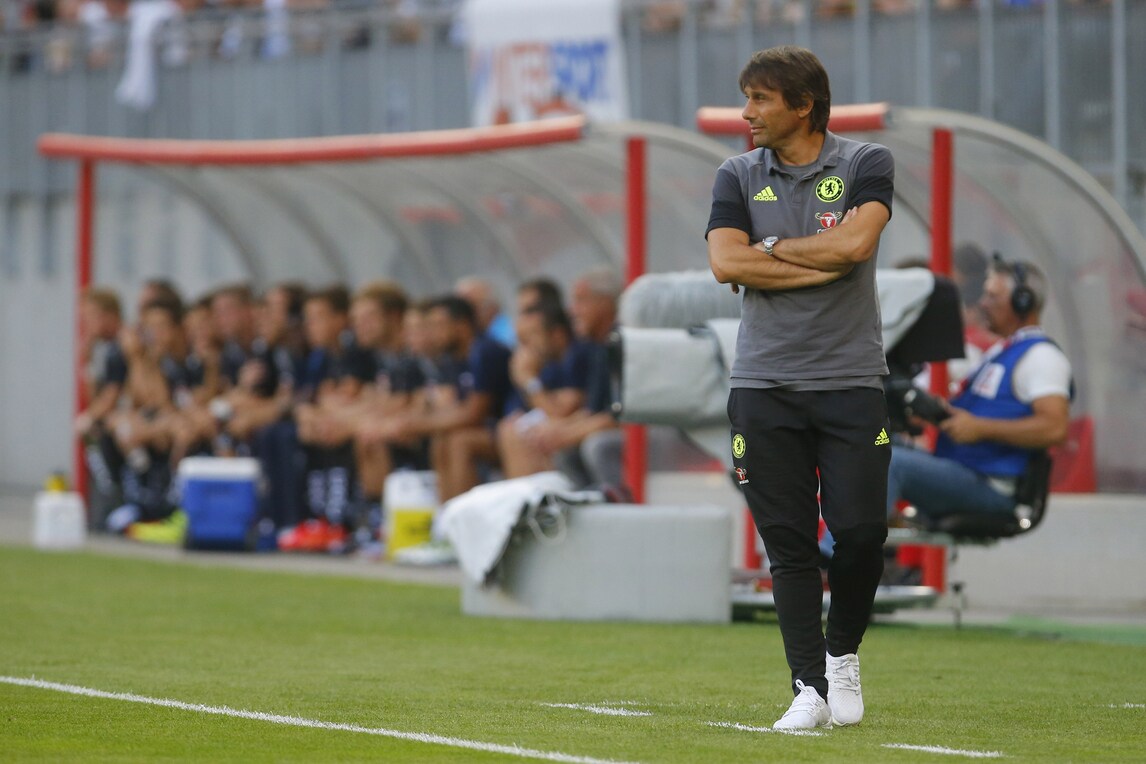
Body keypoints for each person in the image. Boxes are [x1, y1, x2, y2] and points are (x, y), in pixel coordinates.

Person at [705, 46, 895, 730]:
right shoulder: (735, 174)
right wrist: (813, 258)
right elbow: (724, 262)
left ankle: (842, 654)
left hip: (851, 382)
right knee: (788, 547)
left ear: (803, 105)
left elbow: (855, 248)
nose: (746, 113)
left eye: (760, 98)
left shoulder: (866, 163)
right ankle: (808, 689)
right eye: (747, 97)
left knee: (862, 534)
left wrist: (767, 253)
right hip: (763, 386)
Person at [888, 256, 1071, 523]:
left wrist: (980, 428)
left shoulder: (1041, 356)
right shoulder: (1003, 352)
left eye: (993, 297)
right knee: (876, 444)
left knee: (889, 463)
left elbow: (1055, 429)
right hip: (961, 469)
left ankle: (842, 548)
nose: (983, 304)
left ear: (1022, 302)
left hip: (989, 483)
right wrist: (940, 413)